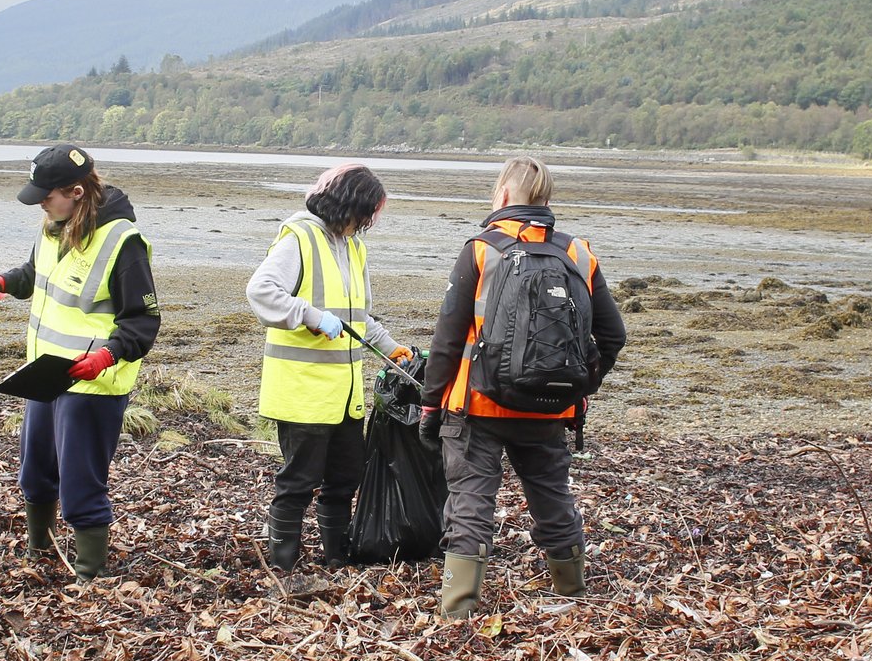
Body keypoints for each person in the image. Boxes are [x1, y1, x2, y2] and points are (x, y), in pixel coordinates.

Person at [419, 155, 626, 618]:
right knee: (552, 496)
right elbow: (613, 337)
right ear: (546, 199)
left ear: (505, 195)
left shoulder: (480, 249)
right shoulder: (579, 253)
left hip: (476, 406)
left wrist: (430, 406)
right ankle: (572, 595)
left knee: (471, 502)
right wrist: (578, 387)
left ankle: (458, 611)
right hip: (549, 410)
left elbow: (447, 340)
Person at [0, 144, 160, 579]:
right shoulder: (53, 226)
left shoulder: (123, 243)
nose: (41, 204)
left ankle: (90, 572)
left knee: (80, 484)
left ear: (76, 191)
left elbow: (143, 321)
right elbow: (35, 276)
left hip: (92, 383)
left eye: (46, 196)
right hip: (46, 375)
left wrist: (106, 357)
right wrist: (1, 282)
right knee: (35, 472)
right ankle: (41, 551)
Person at [249, 162, 416, 570]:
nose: (364, 225)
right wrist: (309, 315)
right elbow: (261, 292)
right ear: (346, 204)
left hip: (344, 394)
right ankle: (283, 563)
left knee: (345, 478)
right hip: (302, 390)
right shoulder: (299, 237)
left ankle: (336, 557)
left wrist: (395, 352)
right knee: (298, 481)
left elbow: (359, 317)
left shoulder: (354, 247)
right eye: (363, 215)